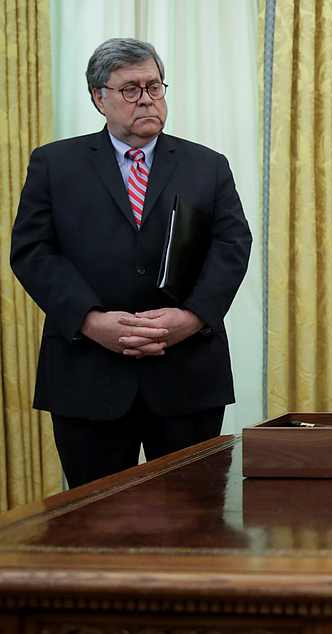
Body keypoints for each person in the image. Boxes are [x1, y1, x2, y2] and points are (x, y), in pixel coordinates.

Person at [10, 38, 252, 487]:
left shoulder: (207, 165)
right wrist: (89, 320)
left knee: (194, 522)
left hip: (186, 372)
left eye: (154, 86)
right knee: (95, 525)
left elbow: (232, 245)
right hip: (88, 374)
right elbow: (32, 251)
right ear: (98, 98)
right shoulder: (55, 164)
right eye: (130, 89)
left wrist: (192, 316)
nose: (146, 98)